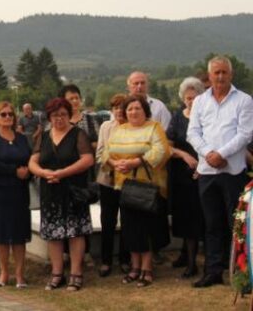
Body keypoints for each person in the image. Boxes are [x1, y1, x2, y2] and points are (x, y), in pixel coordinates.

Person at [188, 56, 253, 288]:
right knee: (212, 224)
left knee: (236, 225)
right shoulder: (200, 102)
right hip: (207, 172)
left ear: (231, 75)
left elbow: (245, 134)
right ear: (209, 75)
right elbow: (192, 133)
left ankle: (240, 272)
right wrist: (209, 154)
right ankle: (213, 271)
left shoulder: (244, 100)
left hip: (233, 172)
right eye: (216, 73)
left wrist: (222, 154)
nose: (221, 76)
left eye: (224, 72)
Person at [102, 95, 171, 288]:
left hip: (148, 189)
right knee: (130, 230)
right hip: (125, 188)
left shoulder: (154, 127)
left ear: (145, 111)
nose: (133, 112)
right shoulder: (119, 130)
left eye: (137, 108)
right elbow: (106, 153)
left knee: (147, 230)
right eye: (130, 109)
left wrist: (136, 161)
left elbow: (162, 151)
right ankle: (134, 267)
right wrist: (115, 163)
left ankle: (147, 269)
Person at [28, 98, 94, 292]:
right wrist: (44, 173)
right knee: (53, 234)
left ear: (69, 115)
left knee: (75, 233)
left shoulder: (78, 134)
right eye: (55, 115)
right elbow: (33, 161)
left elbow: (88, 159)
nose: (59, 118)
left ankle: (76, 273)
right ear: (49, 117)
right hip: (50, 191)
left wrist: (62, 173)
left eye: (63, 114)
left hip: (73, 191)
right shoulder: (45, 136)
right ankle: (57, 273)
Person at [0, 101, 31, 288]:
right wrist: (14, 171)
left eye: (10, 114)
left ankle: (19, 275)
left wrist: (27, 172)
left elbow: (30, 158)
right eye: (3, 114)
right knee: (1, 234)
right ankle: (4, 274)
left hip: (19, 190)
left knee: (18, 233)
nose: (8, 117)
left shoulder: (22, 138)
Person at [166, 77, 205, 278]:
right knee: (185, 218)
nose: (191, 101)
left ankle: (197, 263)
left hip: (203, 174)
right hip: (181, 175)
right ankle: (187, 258)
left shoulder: (208, 117)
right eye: (188, 98)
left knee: (199, 218)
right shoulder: (177, 117)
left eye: (195, 97)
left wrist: (204, 166)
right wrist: (183, 155)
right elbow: (167, 145)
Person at [95, 93, 130, 277]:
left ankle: (125, 260)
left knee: (126, 220)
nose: (119, 111)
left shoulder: (135, 127)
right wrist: (114, 163)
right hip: (108, 179)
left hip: (129, 181)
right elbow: (99, 153)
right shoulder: (105, 127)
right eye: (116, 108)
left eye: (122, 108)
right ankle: (106, 261)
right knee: (107, 221)